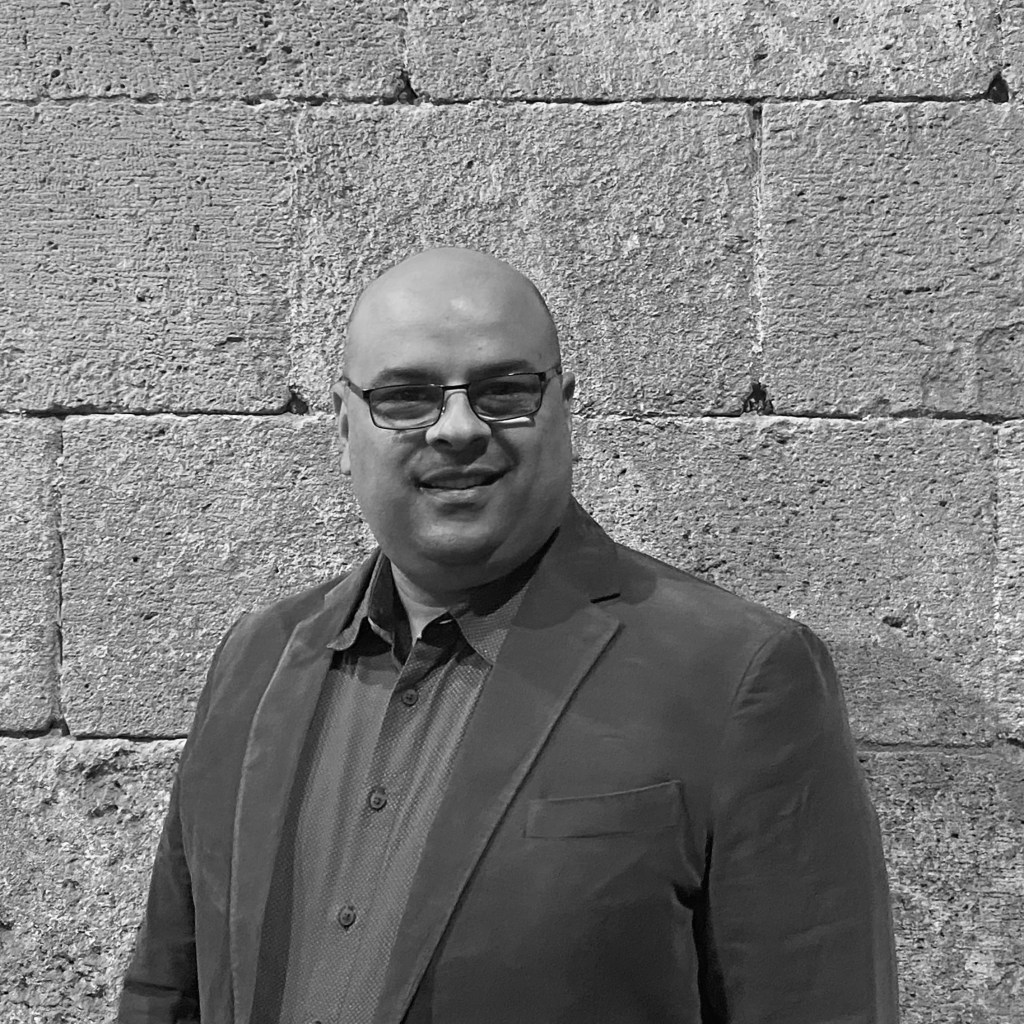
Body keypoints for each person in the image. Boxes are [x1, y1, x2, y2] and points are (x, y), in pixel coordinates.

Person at [118, 247, 900, 1023]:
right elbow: (166, 992)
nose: (458, 427)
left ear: (565, 407)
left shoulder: (736, 676)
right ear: (343, 426)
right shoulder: (254, 660)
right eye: (406, 396)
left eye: (503, 390)